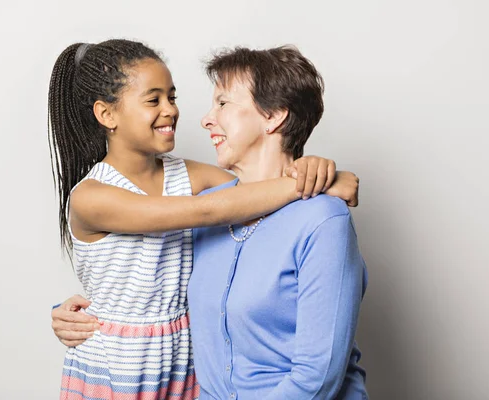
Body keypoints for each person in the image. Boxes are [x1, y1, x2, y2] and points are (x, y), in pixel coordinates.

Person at [48, 39, 359, 400]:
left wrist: (320, 178)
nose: (174, 111)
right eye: (153, 100)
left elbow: (250, 190)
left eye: (172, 97)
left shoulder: (195, 180)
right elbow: (212, 210)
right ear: (106, 114)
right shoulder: (95, 197)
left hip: (180, 369)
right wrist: (317, 182)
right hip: (119, 369)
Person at [187, 46, 368, 399]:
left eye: (223, 103)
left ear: (274, 117)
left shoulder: (322, 220)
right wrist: (82, 314)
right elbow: (157, 303)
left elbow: (316, 380)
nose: (207, 119)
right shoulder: (204, 214)